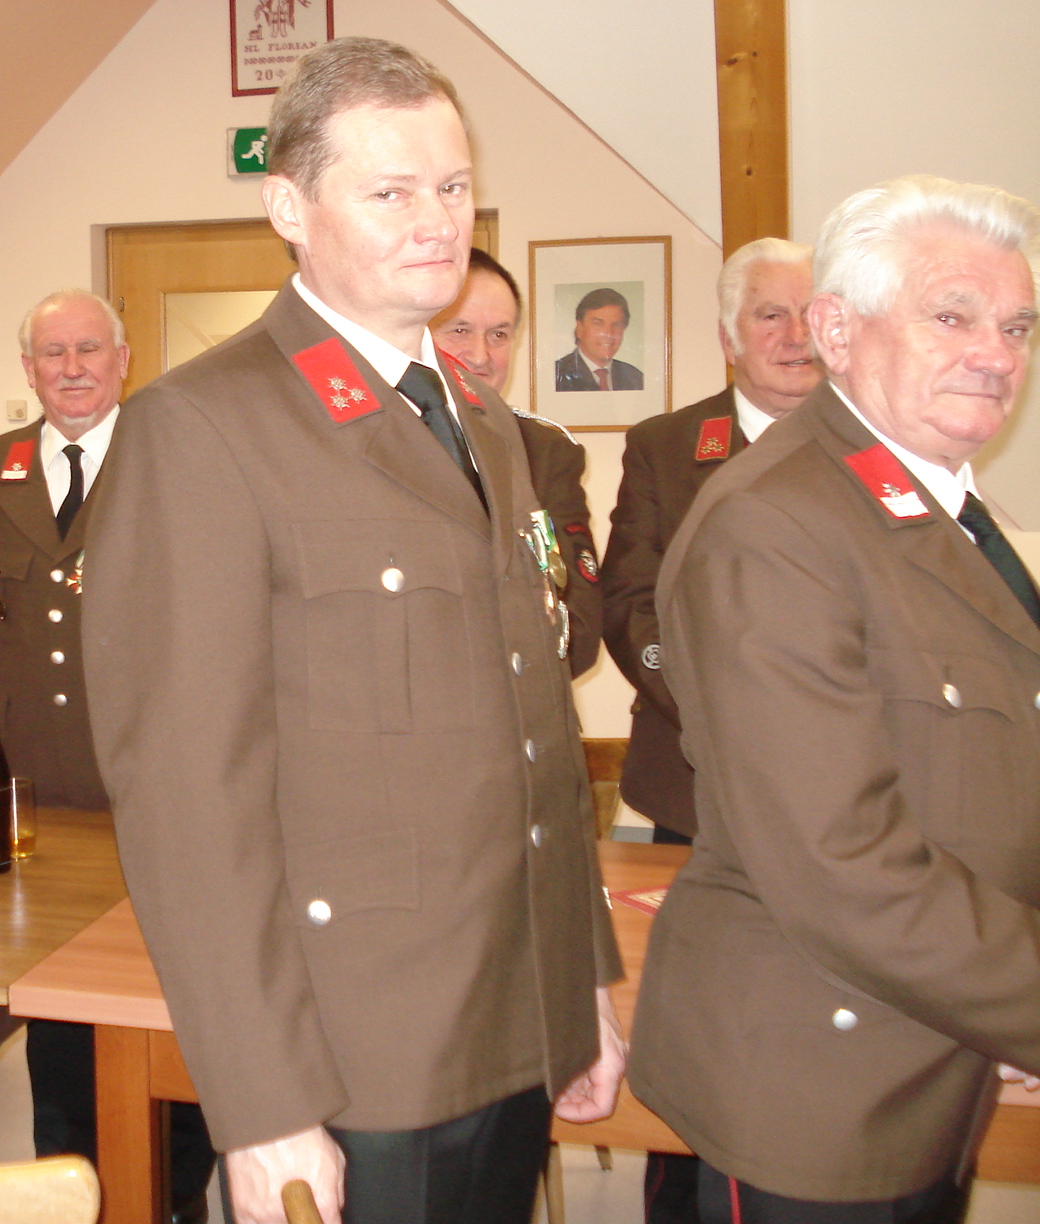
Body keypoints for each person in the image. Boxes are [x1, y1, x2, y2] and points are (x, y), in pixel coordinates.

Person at [83, 38, 624, 1224]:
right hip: (355, 1048)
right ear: (290, 207)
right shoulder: (204, 426)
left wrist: (577, 981)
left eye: (452, 186)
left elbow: (537, 733)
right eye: (390, 191)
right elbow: (188, 798)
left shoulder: (480, 418)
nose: (436, 220)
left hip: (511, 1011)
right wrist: (261, 1100)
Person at [629, 174, 1040, 1224]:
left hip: (928, 1050)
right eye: (952, 317)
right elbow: (843, 862)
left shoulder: (933, 501)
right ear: (839, 332)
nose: (997, 356)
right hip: (814, 1090)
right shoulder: (778, 524)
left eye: (1017, 326)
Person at [0, 289, 214, 1222]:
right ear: (28, 369)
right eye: (51, 353)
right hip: (37, 798)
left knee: (167, 1002)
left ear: (123, 359)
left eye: (89, 349)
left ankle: (175, 1189)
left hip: (154, 793)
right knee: (54, 1014)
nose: (71, 368)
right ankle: (73, 1189)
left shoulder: (178, 457)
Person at [601, 237, 816, 851]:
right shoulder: (664, 447)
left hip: (852, 778)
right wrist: (710, 710)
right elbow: (630, 601)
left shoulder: (881, 447)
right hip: (697, 773)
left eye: (810, 314)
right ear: (728, 339)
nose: (797, 336)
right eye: (771, 315)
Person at [432, 248, 602, 676]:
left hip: (521, 701)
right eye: (459, 330)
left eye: (499, 334)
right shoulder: (371, 439)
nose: (480, 355)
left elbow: (579, 629)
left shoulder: (544, 452)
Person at [555, 287, 643, 390]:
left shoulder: (635, 377)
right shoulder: (556, 375)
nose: (608, 333)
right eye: (598, 323)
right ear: (580, 328)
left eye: (616, 324)